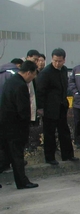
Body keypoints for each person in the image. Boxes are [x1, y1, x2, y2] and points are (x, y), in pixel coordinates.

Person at [36, 48, 78, 165]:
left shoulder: (64, 70)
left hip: (61, 106)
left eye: (59, 61)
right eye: (55, 61)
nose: (57, 63)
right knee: (49, 133)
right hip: (49, 108)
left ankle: (68, 155)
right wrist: (40, 108)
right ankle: (50, 158)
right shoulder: (46, 73)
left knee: (64, 131)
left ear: (64, 60)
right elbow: (40, 91)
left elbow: (64, 87)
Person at [0, 61, 38, 189]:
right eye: (33, 75)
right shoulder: (20, 86)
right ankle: (22, 182)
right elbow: (23, 110)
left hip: (5, 125)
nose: (33, 78)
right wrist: (27, 124)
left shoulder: (10, 82)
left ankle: (22, 181)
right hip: (15, 127)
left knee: (6, 156)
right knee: (16, 156)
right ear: (28, 73)